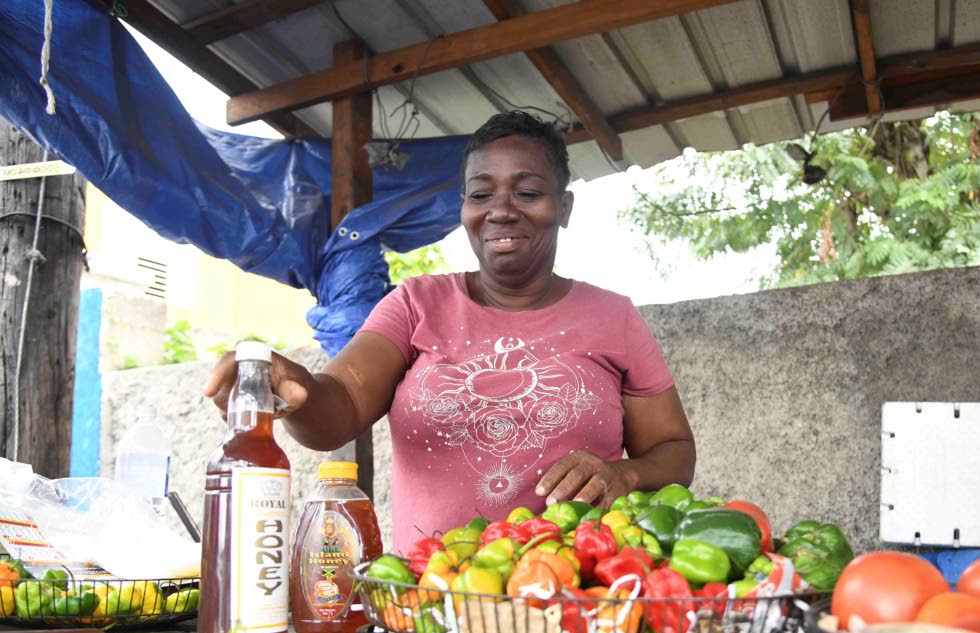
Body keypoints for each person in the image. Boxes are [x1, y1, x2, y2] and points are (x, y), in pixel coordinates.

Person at [204, 111, 696, 553]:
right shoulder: (416, 304)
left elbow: (674, 452)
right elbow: (341, 407)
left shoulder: (613, 317)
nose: (502, 210)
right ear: (462, 207)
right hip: (433, 594)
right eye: (482, 194)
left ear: (563, 207)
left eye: (527, 192)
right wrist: (298, 389)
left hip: (578, 591)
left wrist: (624, 474)